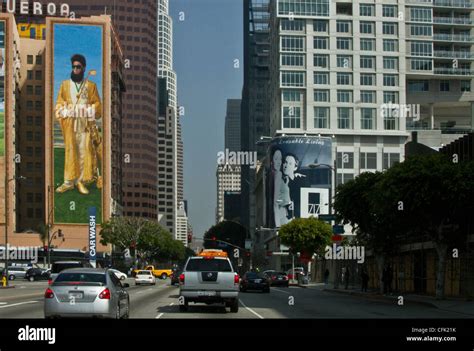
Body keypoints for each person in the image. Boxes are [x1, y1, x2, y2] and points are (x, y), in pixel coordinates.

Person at [55, 54, 102, 195]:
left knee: (83, 152)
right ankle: (68, 182)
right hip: (70, 123)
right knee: (70, 150)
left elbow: (98, 105)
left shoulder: (91, 86)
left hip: (85, 124)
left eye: (78, 67)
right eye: (73, 67)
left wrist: (87, 109)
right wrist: (66, 110)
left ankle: (80, 181)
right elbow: (58, 104)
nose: (75, 69)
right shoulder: (64, 85)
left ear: (83, 68)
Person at [282, 153, 307, 219]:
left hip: (299, 217)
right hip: (286, 217)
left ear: (295, 167)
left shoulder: (301, 181)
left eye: (290, 164)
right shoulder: (281, 181)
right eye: (285, 162)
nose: (286, 166)